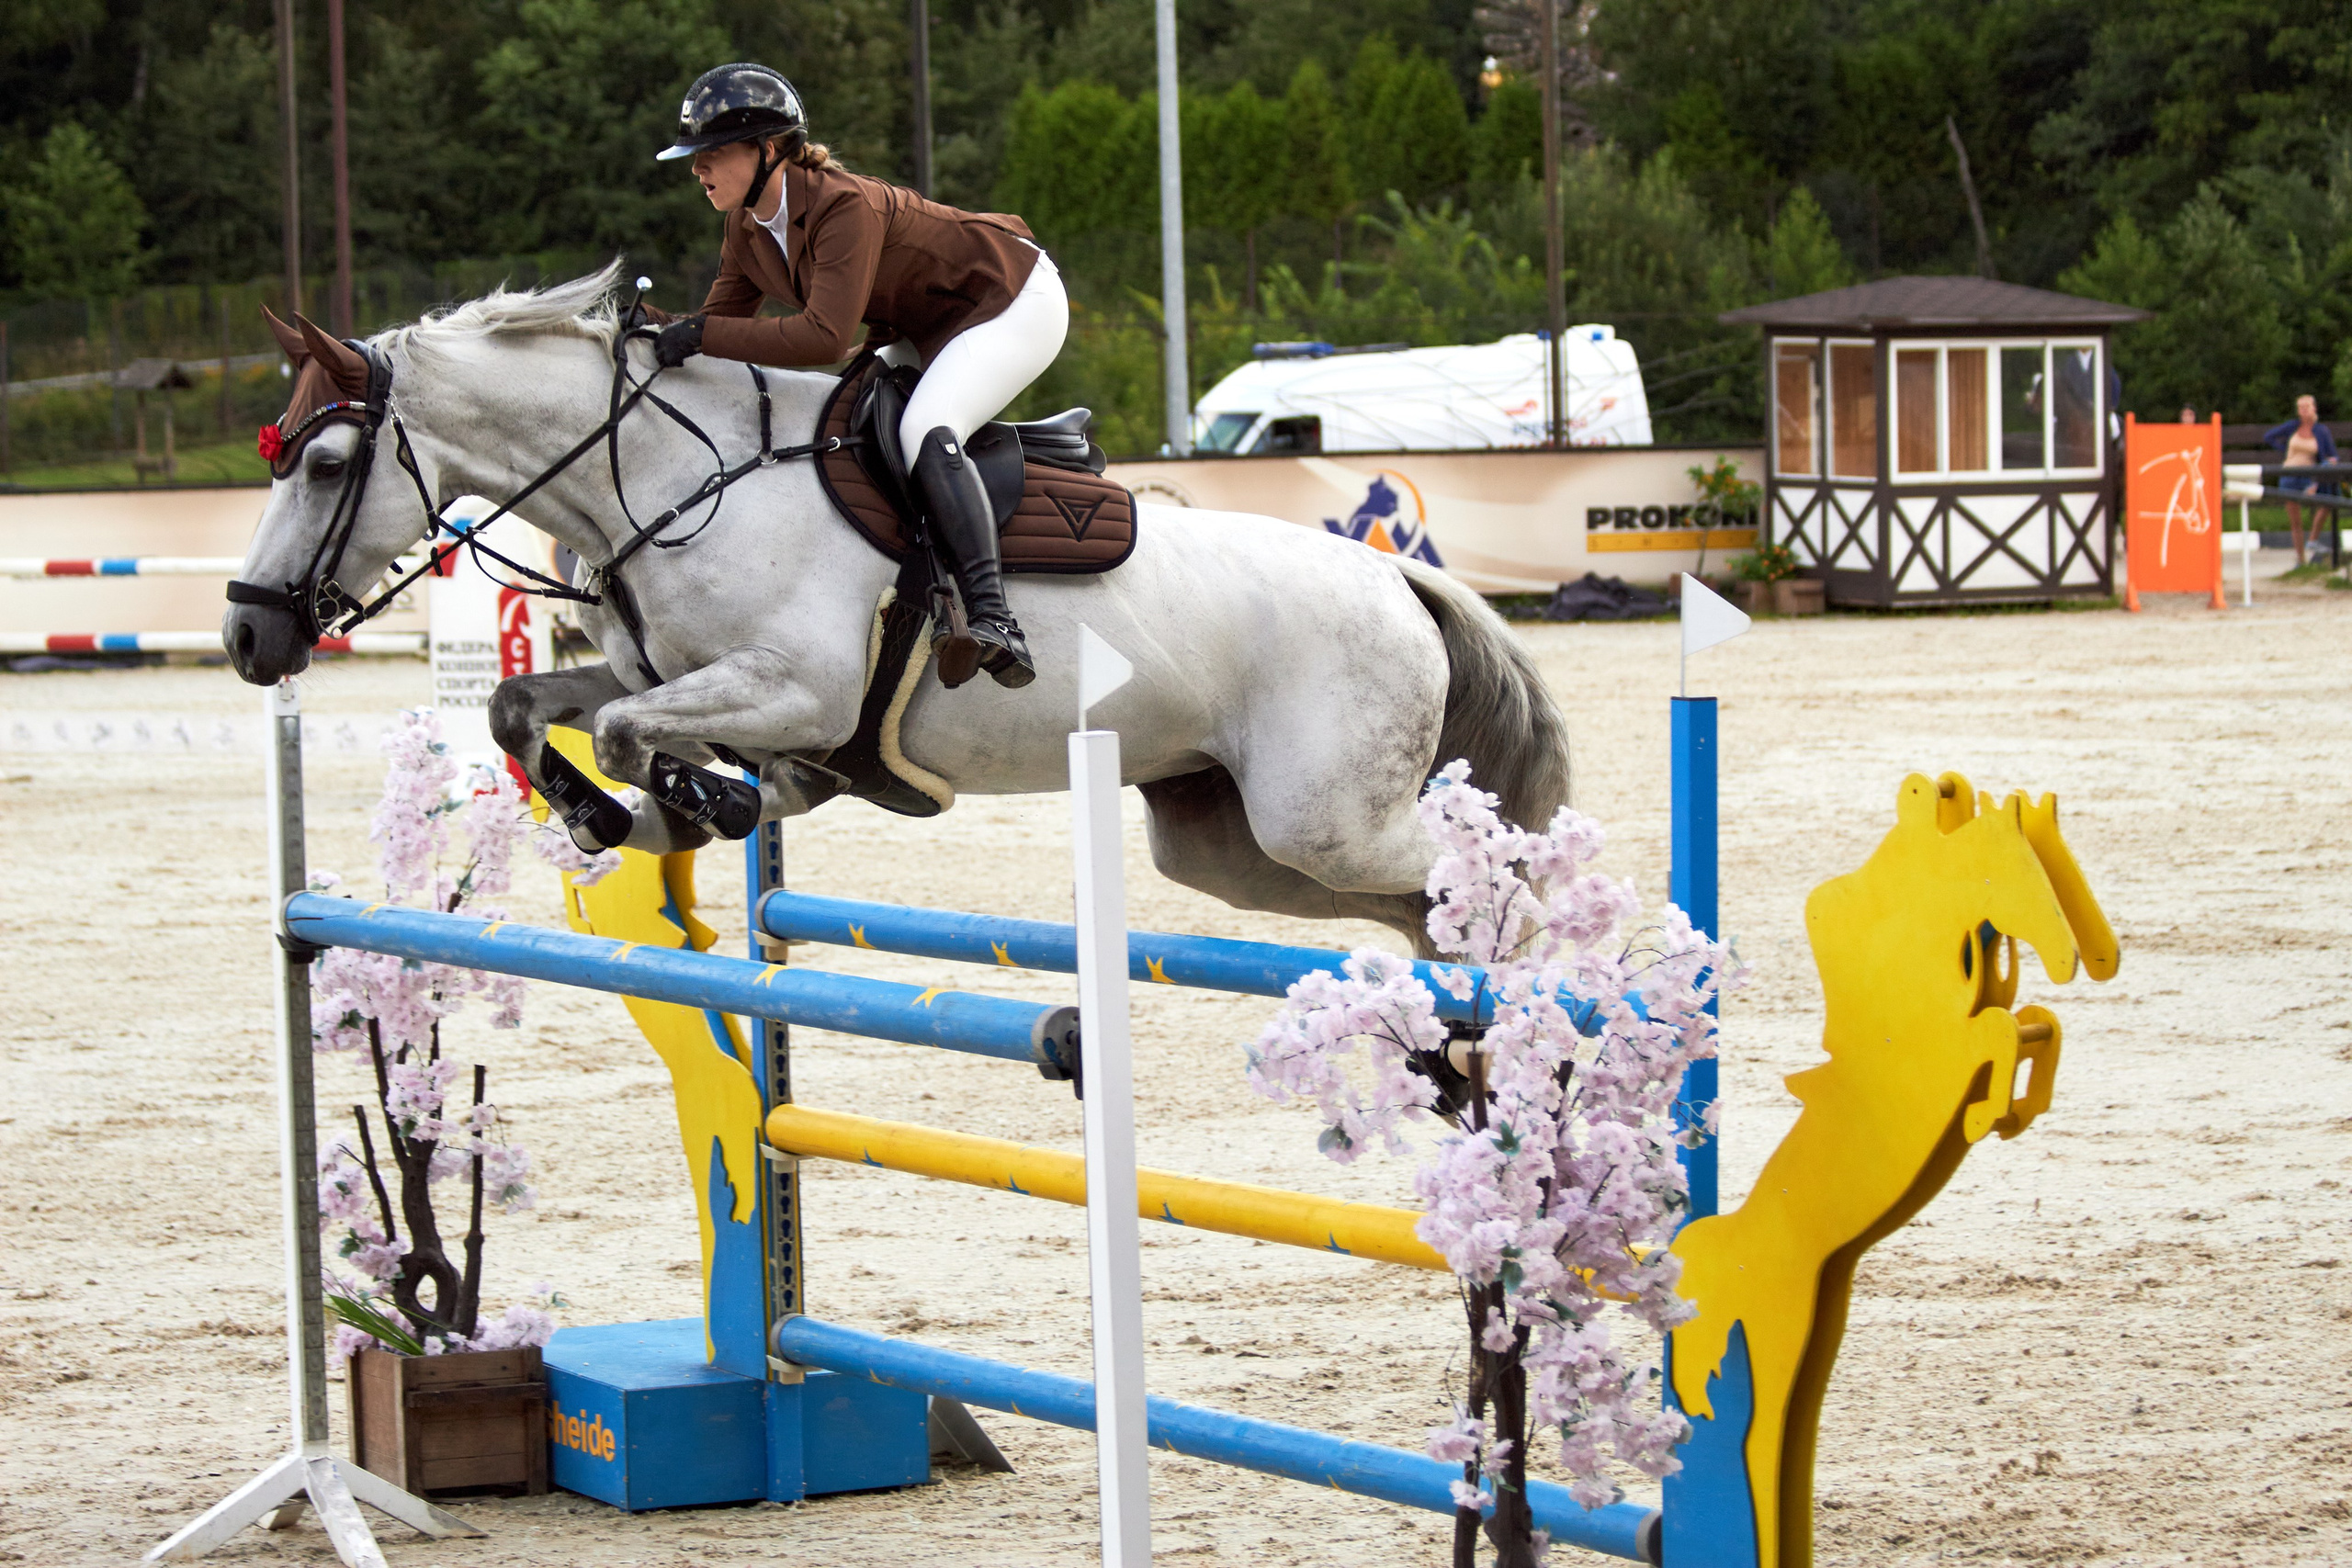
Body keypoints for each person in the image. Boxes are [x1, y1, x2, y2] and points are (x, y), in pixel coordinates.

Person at [648, 62, 1066, 688]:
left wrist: (698, 333)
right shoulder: (745, 227)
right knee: (844, 420)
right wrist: (643, 331)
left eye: (711, 152)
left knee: (926, 425)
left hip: (1009, 299)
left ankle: (995, 617)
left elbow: (823, 336)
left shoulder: (842, 204)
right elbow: (716, 328)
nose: (696, 167)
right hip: (923, 324)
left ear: (767, 151)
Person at [2264, 394, 2339, 566]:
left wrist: (2327, 464)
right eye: (2301, 407)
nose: (2304, 411)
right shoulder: (2293, 427)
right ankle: (2300, 559)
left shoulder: (2321, 431)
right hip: (2290, 475)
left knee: (2327, 501)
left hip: (2309, 477)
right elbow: (2269, 436)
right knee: (2295, 519)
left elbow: (2332, 455)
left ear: (2314, 408)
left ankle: (2312, 539)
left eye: (2307, 406)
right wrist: (2285, 451)